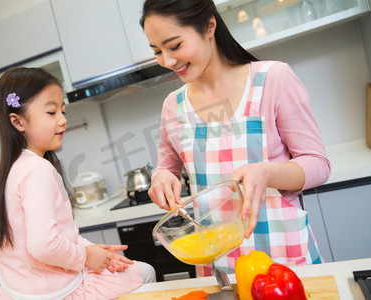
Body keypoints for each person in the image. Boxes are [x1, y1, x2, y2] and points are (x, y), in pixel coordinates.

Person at [140, 0, 331, 275]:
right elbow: (166, 168)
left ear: (209, 27)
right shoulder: (173, 105)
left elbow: (318, 164)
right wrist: (161, 178)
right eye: (157, 51)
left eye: (175, 46)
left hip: (284, 259)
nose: (167, 61)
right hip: (218, 265)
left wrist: (268, 172)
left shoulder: (272, 79)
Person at [0, 67, 155, 299]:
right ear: (18, 122)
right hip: (56, 293)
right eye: (52, 112)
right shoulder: (37, 169)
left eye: (62, 111)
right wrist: (86, 257)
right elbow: (43, 245)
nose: (63, 120)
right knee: (144, 272)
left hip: (19, 292)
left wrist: (90, 250)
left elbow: (57, 235)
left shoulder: (12, 169)